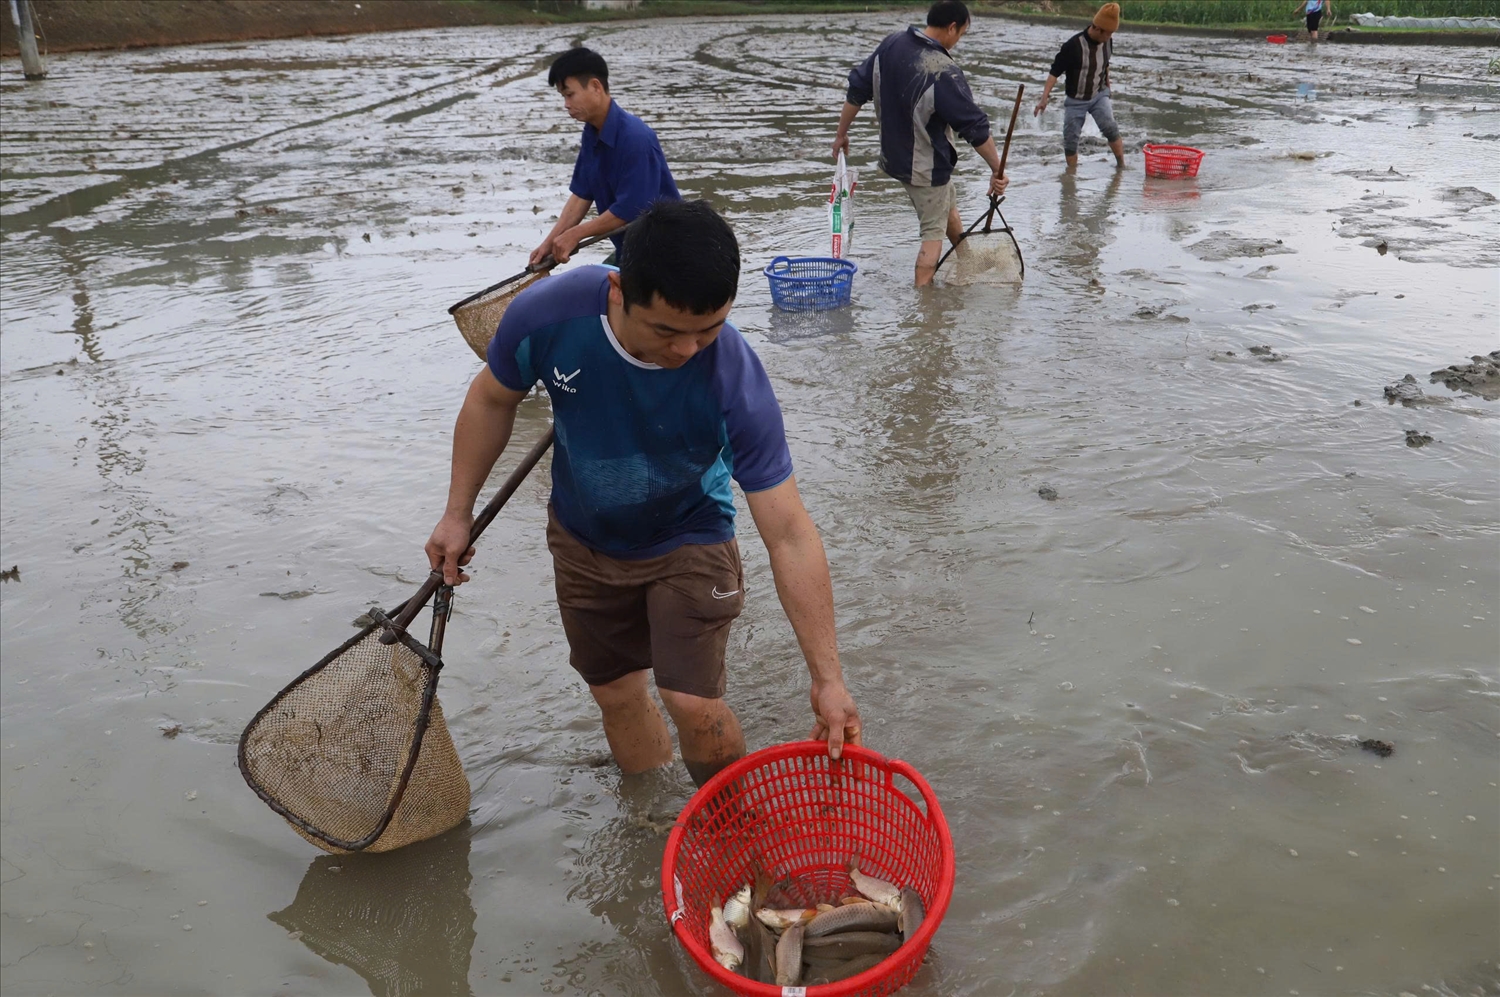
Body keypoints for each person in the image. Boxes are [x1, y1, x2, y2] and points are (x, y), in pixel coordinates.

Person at [427, 200, 862, 787]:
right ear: (617, 292)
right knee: (616, 694)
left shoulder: (733, 378)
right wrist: (458, 514)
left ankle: (731, 823)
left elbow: (788, 533)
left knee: (691, 703)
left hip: (691, 531)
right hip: (584, 537)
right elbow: (491, 400)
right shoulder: (546, 316)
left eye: (708, 330)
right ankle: (655, 821)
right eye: (666, 331)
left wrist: (828, 678)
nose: (686, 350)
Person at [832, 0, 1009, 287]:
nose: (958, 41)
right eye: (961, 34)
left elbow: (857, 90)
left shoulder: (890, 45)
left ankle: (966, 258)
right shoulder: (942, 70)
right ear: (952, 28)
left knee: (945, 207)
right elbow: (974, 127)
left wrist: (841, 134)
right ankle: (925, 305)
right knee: (932, 234)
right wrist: (997, 169)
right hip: (925, 167)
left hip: (894, 158)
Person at [529, 47, 679, 269]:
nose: (566, 105)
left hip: (667, 251)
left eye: (570, 94)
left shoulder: (636, 138)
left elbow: (631, 210)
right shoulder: (591, 133)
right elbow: (581, 195)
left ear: (596, 86)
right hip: (632, 249)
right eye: (563, 97)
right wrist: (550, 242)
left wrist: (576, 234)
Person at [1034, 2, 1126, 172]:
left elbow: (1105, 64)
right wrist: (1044, 98)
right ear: (1098, 29)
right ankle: (1071, 176)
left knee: (1110, 128)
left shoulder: (1108, 42)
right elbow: (1054, 72)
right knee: (1070, 140)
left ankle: (1121, 166)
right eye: (1108, 33)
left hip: (1099, 95)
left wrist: (1108, 85)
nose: (1110, 37)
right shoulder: (1073, 46)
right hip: (1075, 100)